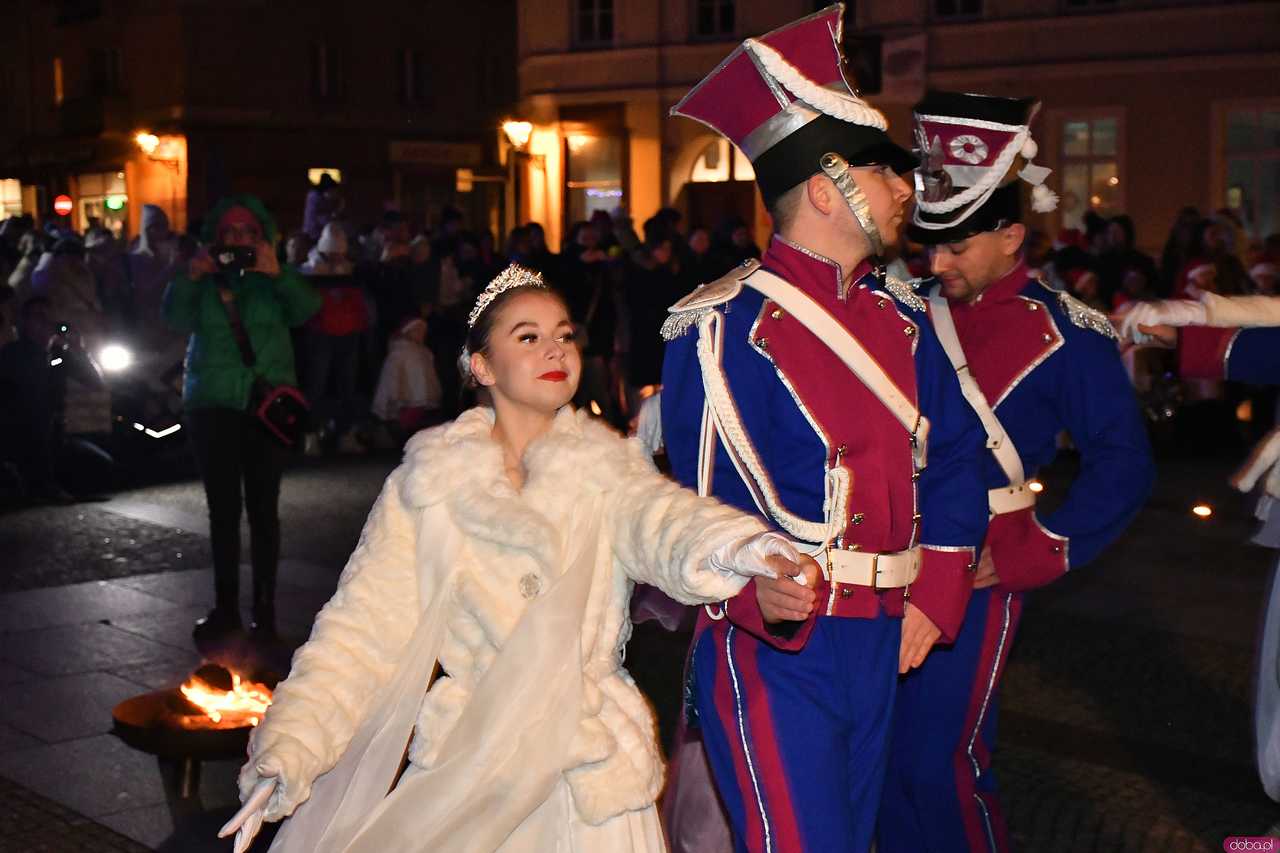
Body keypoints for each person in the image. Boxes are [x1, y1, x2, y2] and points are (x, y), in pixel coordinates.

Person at [219, 263, 814, 853]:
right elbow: (363, 627)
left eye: (563, 334)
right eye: (527, 336)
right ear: (482, 366)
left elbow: (666, 523)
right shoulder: (430, 486)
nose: (555, 348)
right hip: (475, 769)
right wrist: (289, 748)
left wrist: (745, 547)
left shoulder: (608, 469)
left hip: (590, 780)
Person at [659, 8, 988, 851]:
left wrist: (938, 595)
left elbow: (954, 458)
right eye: (883, 176)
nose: (904, 192)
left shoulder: (905, 320)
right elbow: (679, 509)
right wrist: (743, 591)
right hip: (774, 649)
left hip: (884, 641)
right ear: (823, 189)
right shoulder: (718, 328)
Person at [878, 90, 1155, 853]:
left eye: (957, 247)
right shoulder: (902, 309)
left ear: (1011, 235)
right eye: (929, 245)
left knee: (944, 765)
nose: (937, 263)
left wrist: (1036, 549)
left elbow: (1124, 464)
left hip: (981, 563)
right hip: (884, 556)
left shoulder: (1069, 333)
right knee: (887, 762)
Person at [163, 195, 321, 643]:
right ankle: (226, 608)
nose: (238, 241)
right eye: (229, 233)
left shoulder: (273, 279)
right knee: (223, 512)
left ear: (262, 237)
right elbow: (172, 318)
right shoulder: (202, 279)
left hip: (266, 408)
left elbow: (309, 310)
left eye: (247, 232)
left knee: (264, 511)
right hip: (212, 405)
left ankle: (265, 611)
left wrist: (279, 273)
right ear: (215, 239)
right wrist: (192, 277)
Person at [370, 316, 442, 441]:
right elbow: (392, 372)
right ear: (407, 332)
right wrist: (394, 391)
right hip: (405, 394)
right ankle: (400, 436)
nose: (421, 334)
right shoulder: (399, 351)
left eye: (423, 331)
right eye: (417, 331)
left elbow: (429, 373)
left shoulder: (425, 352)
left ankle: (408, 436)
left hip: (421, 394)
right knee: (404, 417)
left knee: (416, 417)